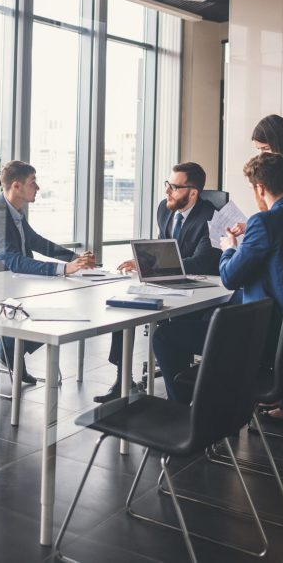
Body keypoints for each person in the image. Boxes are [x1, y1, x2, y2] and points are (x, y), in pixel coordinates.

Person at [152, 152, 283, 409]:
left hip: (262, 338)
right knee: (208, 317)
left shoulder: (263, 222)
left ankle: (182, 415)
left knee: (165, 336)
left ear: (260, 188)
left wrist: (230, 248)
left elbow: (229, 277)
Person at [94, 161, 222, 403]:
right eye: (167, 184)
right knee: (125, 307)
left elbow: (202, 262)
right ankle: (124, 381)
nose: (167, 192)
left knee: (171, 332)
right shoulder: (165, 208)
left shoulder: (211, 218)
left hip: (199, 289)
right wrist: (143, 261)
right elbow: (164, 248)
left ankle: (182, 395)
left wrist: (153, 266)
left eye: (174, 187)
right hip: (166, 281)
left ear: (193, 192)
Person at [0, 160, 96, 391]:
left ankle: (7, 351)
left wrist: (74, 258)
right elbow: (13, 261)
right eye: (33, 182)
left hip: (16, 284)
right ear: (16, 186)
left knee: (54, 313)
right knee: (45, 315)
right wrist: (62, 269)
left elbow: (36, 242)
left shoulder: (15, 212)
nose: (38, 187)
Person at [231, 115, 283, 241]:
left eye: (266, 149)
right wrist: (250, 226)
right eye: (259, 150)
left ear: (281, 145)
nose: (262, 155)